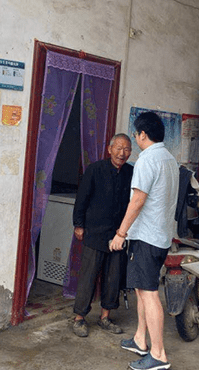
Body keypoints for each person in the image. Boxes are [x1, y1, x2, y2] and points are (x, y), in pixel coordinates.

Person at [110, 112, 179, 370]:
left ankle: (159, 354)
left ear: (142, 135)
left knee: (149, 294)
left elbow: (137, 200)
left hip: (147, 238)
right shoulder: (169, 159)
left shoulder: (147, 160)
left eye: (136, 135)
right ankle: (141, 339)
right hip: (159, 236)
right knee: (141, 289)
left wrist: (120, 233)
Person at [71, 133, 133, 337]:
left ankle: (105, 317)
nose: (122, 153)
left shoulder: (131, 173)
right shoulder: (95, 170)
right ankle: (79, 318)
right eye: (118, 148)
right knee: (88, 276)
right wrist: (78, 224)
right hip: (95, 232)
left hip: (119, 235)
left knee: (113, 277)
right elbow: (82, 198)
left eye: (126, 149)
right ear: (109, 149)